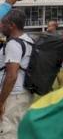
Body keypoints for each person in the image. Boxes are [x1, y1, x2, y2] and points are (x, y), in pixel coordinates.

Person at [0, 9, 34, 139]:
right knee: (18, 130)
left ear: (12, 25)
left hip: (13, 96)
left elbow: (11, 76)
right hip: (24, 94)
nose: (1, 26)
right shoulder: (28, 40)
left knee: (7, 132)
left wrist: (1, 101)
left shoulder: (13, 44)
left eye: (3, 23)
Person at [47, 20, 63, 87]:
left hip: (56, 58)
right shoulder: (48, 34)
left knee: (58, 73)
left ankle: (61, 87)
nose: (47, 27)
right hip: (49, 58)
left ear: (54, 27)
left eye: (49, 26)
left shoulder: (57, 36)